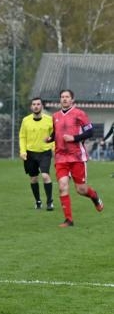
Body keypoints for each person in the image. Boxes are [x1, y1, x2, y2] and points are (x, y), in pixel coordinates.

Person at [46, 89, 104, 227]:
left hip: (77, 157)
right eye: (62, 97)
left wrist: (74, 138)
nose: (64, 99)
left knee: (81, 190)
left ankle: (94, 196)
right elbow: (56, 132)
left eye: (67, 97)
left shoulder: (80, 114)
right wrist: (51, 138)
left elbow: (90, 132)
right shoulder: (55, 116)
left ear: (72, 100)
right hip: (60, 157)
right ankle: (69, 220)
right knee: (62, 187)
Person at [18, 97, 54, 210]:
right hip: (30, 153)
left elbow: (54, 135)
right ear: (31, 107)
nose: (36, 106)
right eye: (34, 104)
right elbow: (22, 136)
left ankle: (49, 202)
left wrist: (54, 147)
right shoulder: (26, 120)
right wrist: (23, 151)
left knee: (45, 175)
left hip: (45, 152)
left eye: (38, 104)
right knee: (33, 178)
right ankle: (38, 201)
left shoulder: (49, 119)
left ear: (42, 106)